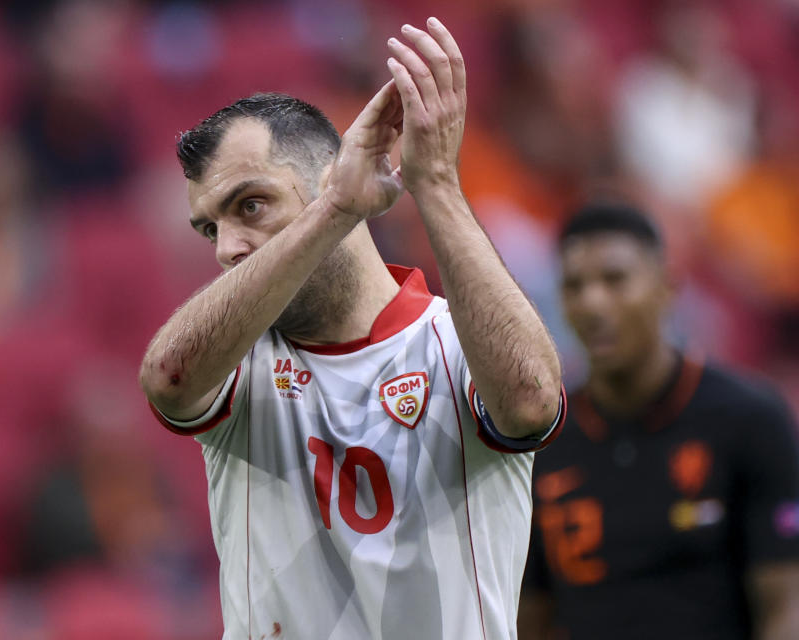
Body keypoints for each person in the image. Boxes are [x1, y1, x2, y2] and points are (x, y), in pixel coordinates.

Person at [139, 18, 565, 640]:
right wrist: (335, 210)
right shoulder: (240, 359)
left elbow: (531, 402)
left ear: (329, 176)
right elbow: (169, 381)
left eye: (250, 205)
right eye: (210, 228)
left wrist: (436, 183)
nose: (227, 248)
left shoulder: (459, 341)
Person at [519, 203, 799, 639]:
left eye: (615, 280)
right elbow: (529, 616)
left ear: (668, 286)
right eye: (574, 286)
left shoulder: (751, 419)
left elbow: (786, 607)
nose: (593, 303)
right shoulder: (543, 444)